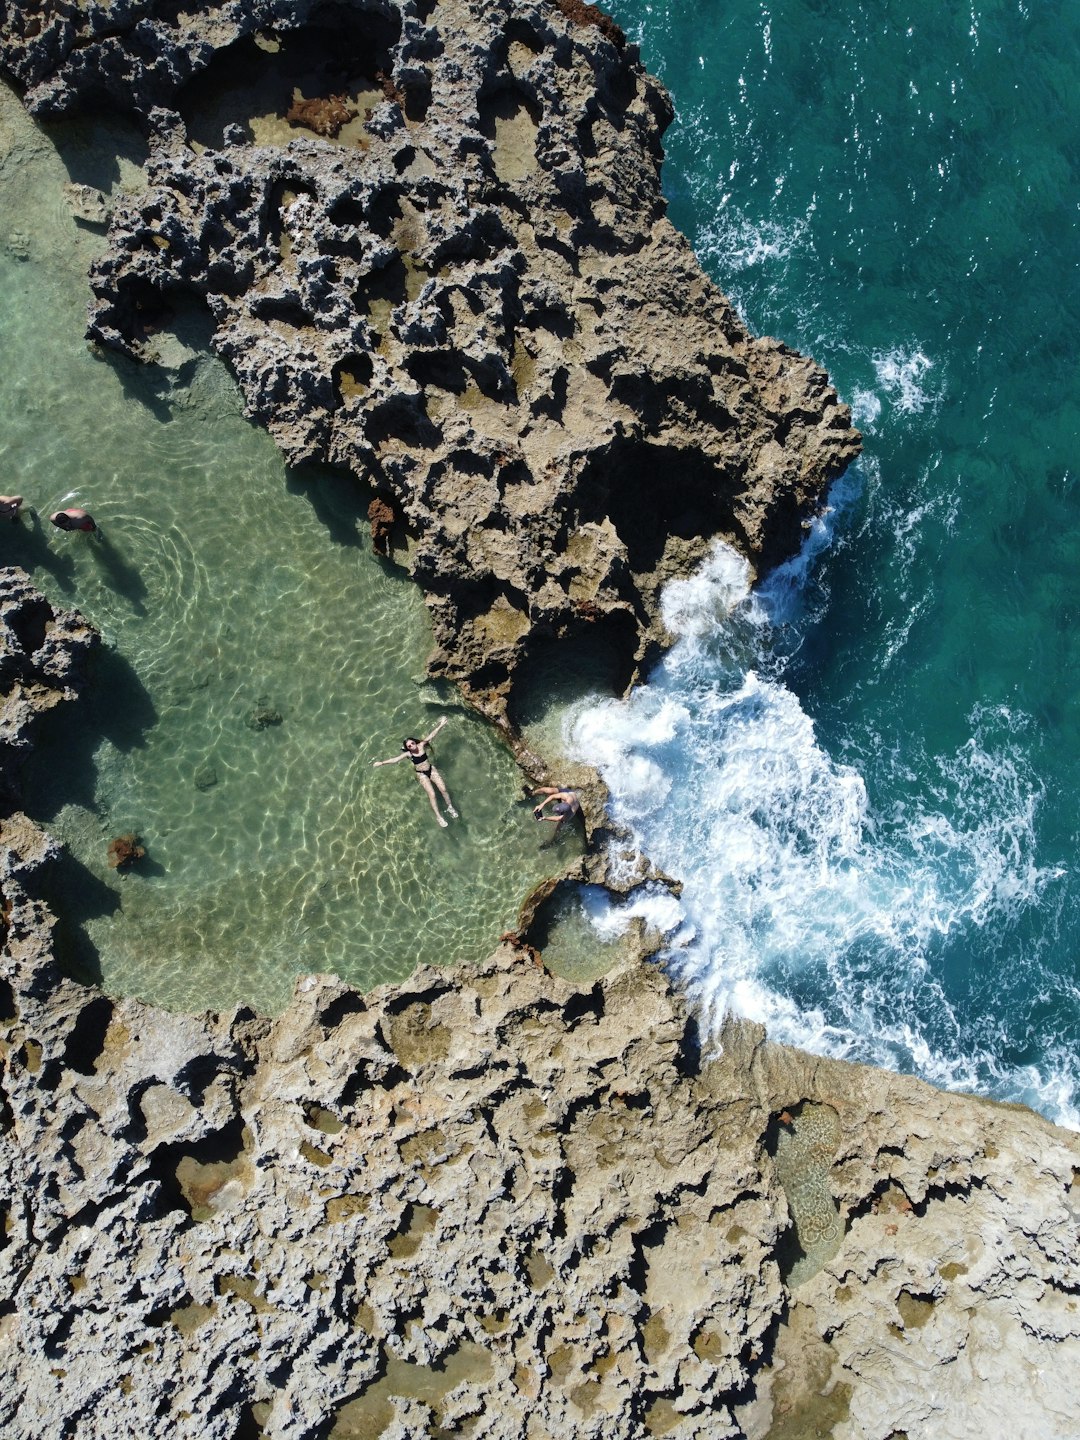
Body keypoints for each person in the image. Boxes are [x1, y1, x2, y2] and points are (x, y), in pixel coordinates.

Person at [373, 716, 458, 828]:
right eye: (409, 746)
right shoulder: (408, 754)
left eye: (412, 743)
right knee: (432, 795)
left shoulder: (421, 745)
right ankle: (438, 816)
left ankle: (450, 807)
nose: (412, 746)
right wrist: (382, 763)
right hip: (422, 774)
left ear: (414, 742)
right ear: (407, 748)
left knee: (443, 789)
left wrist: (441, 724)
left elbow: (432, 735)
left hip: (431, 770)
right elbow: (395, 759)